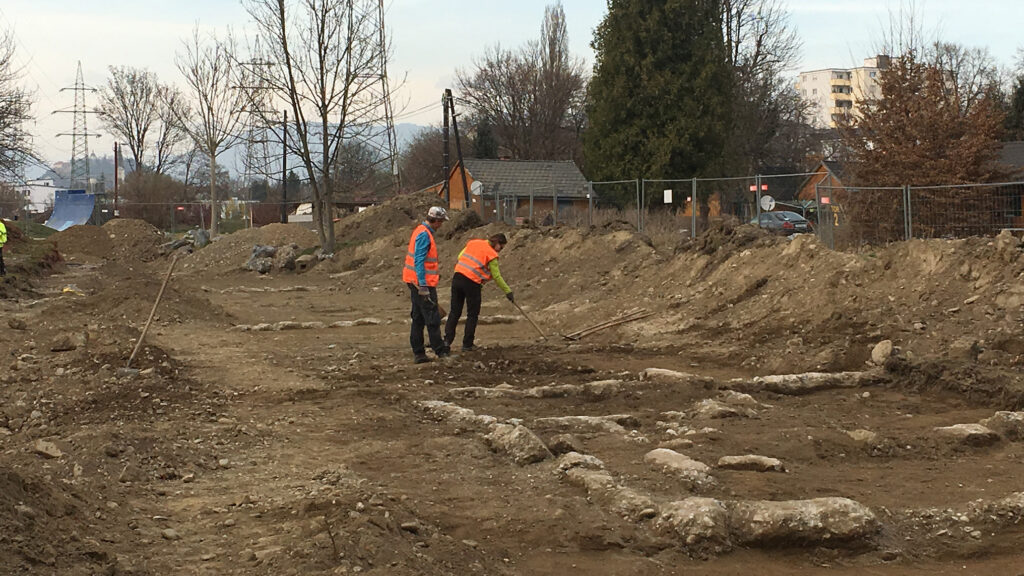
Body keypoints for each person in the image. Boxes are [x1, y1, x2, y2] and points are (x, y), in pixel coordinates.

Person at [444, 233, 514, 352]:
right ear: (497, 243)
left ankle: (446, 342)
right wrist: (508, 291)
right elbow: (497, 276)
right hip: (472, 284)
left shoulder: (474, 243)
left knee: (454, 312)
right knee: (472, 314)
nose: (500, 251)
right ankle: (467, 344)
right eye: (501, 247)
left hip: (457, 278)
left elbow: (460, 256)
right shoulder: (492, 255)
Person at [403, 206, 451, 363]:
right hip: (422, 284)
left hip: (413, 281)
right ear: (436, 221)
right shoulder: (424, 235)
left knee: (418, 317)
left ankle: (419, 353)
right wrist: (423, 286)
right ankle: (440, 351)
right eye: (441, 222)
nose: (441, 225)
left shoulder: (420, 230)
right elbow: (419, 261)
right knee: (432, 317)